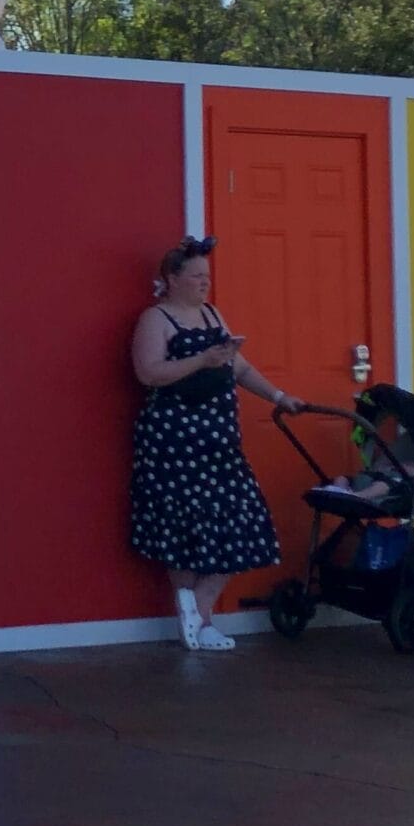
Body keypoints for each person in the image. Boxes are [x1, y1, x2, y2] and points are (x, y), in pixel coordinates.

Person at [129, 235, 305, 652]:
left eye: (207, 276)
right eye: (195, 277)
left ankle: (198, 609)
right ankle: (198, 623)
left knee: (240, 519)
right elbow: (149, 373)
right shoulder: (155, 320)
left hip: (219, 441)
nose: (204, 283)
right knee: (183, 525)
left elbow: (239, 369)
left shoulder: (212, 316)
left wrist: (280, 397)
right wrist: (202, 360)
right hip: (173, 441)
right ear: (171, 279)